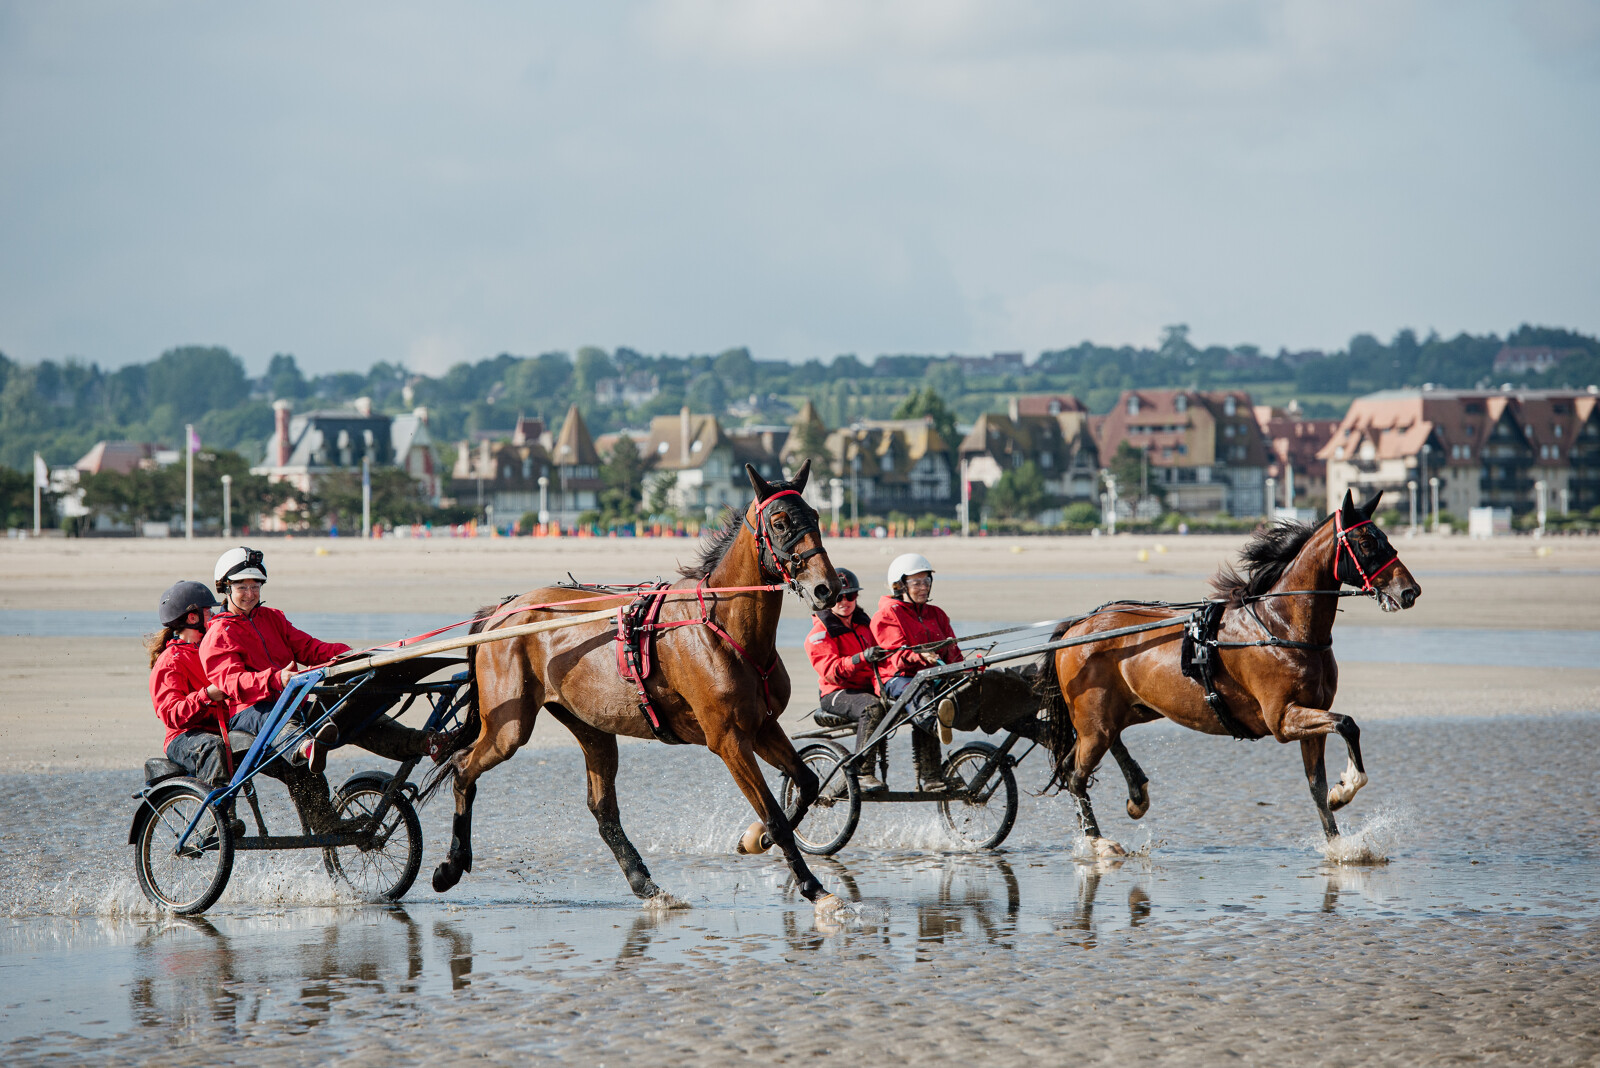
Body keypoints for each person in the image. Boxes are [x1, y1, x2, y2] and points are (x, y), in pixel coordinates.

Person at [199, 546, 445, 831]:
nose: (251, 593)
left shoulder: (272, 618)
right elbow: (232, 682)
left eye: (255, 586)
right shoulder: (218, 633)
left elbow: (310, 648)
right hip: (249, 713)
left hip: (292, 702)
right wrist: (275, 679)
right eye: (242, 587)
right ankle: (306, 747)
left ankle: (426, 742)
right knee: (288, 723)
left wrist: (352, 655)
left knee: (353, 713)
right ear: (225, 588)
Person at [149, 578, 332, 834]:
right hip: (186, 737)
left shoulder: (216, 645)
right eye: (208, 611)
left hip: (230, 732)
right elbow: (171, 714)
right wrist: (207, 695)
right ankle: (219, 822)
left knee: (292, 762)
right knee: (214, 748)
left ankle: (326, 823)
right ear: (192, 618)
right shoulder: (171, 661)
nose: (213, 615)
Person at [871, 553, 964, 792]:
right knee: (922, 688)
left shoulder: (937, 614)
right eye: (917, 583)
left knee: (960, 682)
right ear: (899, 585)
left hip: (930, 677)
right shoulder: (887, 614)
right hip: (896, 679)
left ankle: (933, 778)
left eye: (927, 582)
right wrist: (919, 656)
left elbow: (952, 652)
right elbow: (894, 655)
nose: (924, 587)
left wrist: (967, 668)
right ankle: (936, 726)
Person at [804, 568, 889, 791]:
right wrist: (861, 658)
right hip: (835, 694)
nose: (845, 601)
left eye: (850, 596)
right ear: (827, 600)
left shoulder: (865, 626)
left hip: (866, 689)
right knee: (871, 708)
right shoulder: (818, 634)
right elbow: (831, 671)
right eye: (838, 597)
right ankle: (863, 774)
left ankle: (932, 778)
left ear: (856, 597)